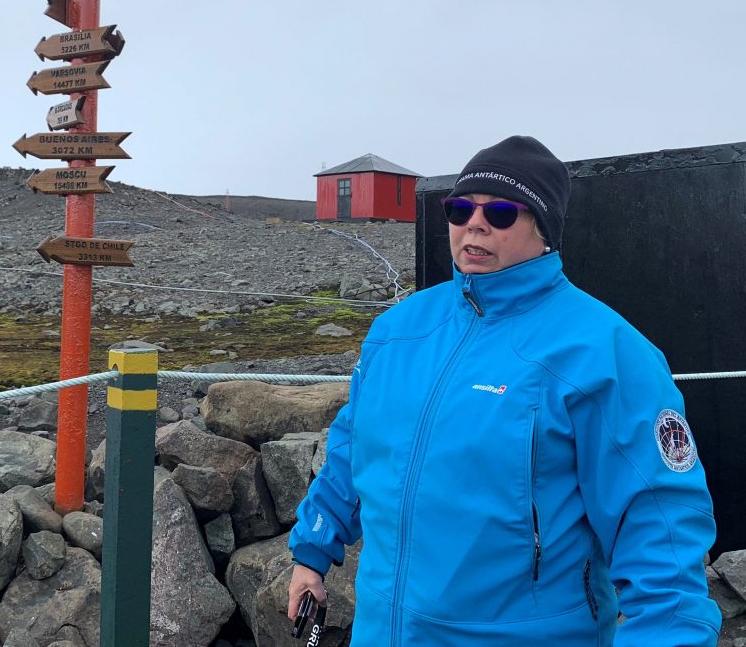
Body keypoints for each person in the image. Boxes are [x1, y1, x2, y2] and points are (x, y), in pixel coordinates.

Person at [287, 136, 720, 646]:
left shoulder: (606, 353)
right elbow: (352, 449)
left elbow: (658, 529)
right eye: (460, 208)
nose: (475, 223)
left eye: (500, 212)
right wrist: (312, 551)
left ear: (545, 231)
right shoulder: (397, 330)